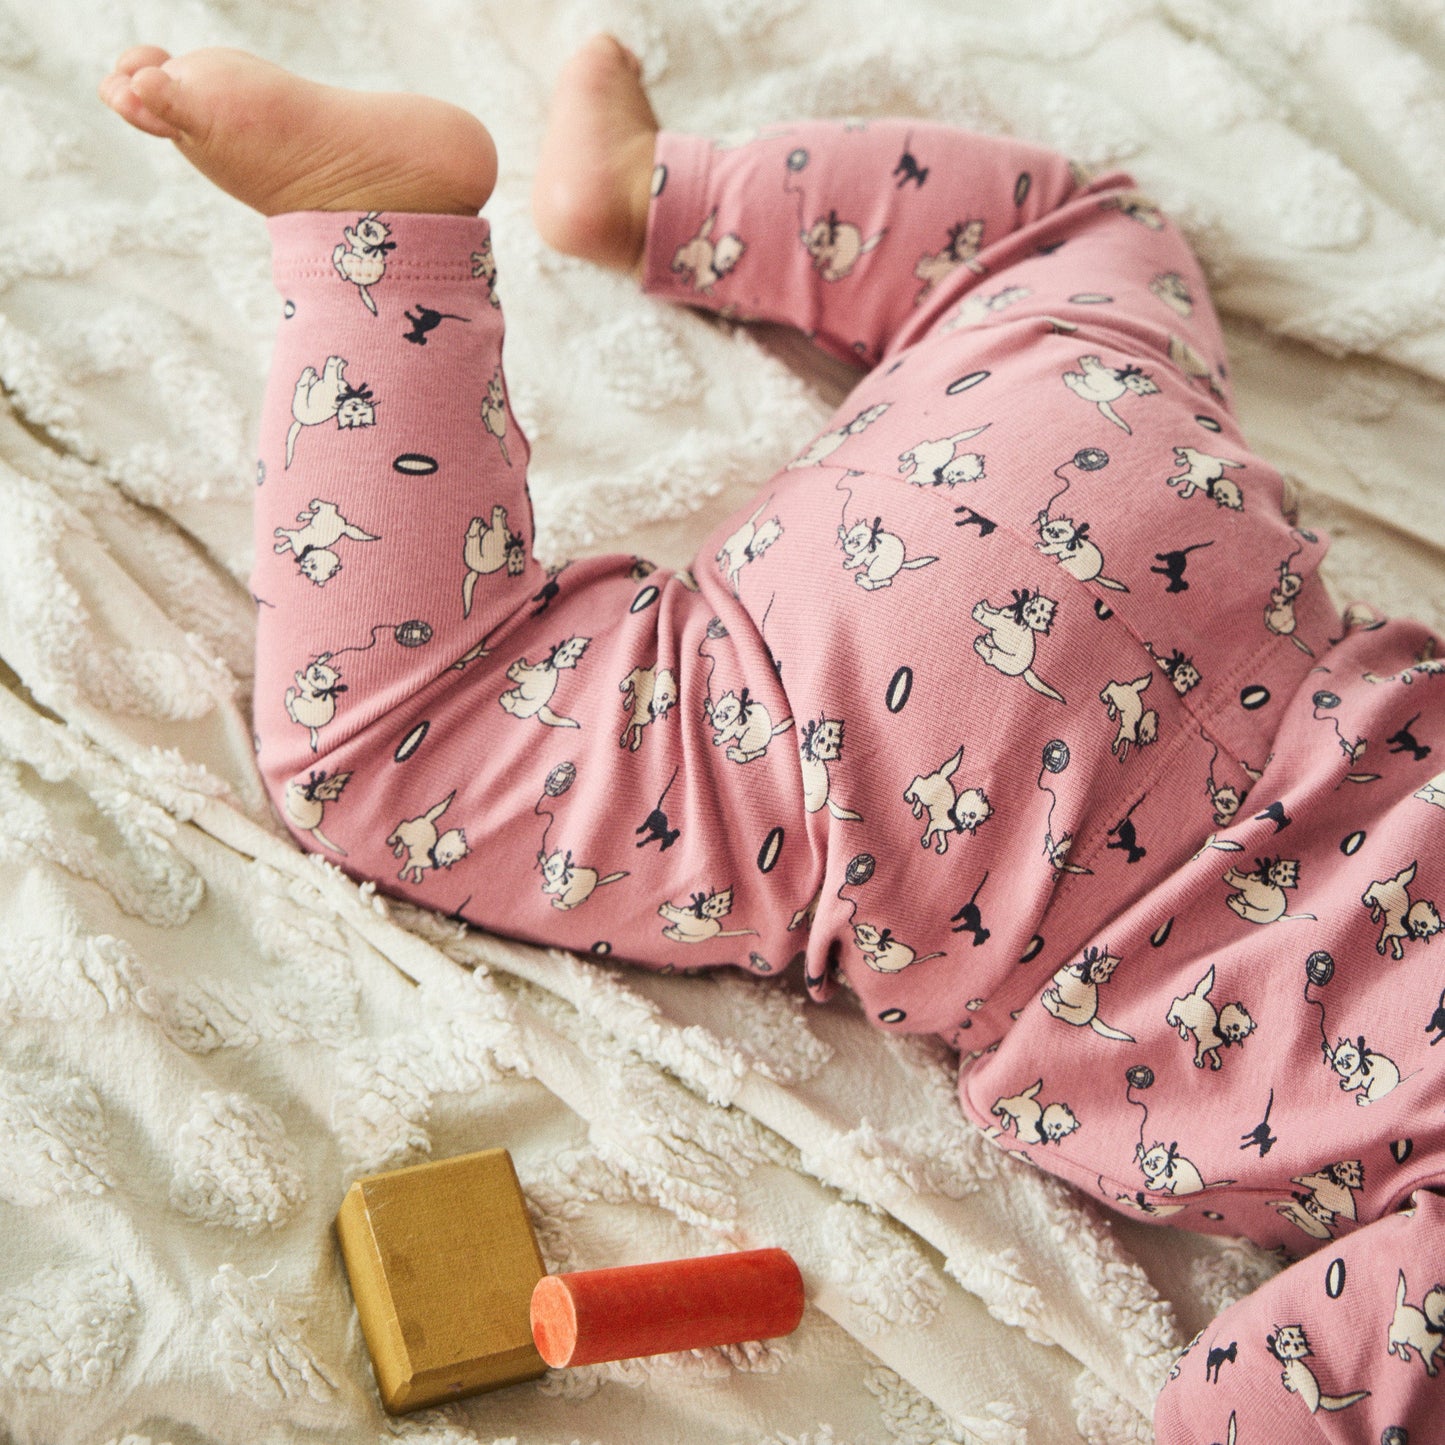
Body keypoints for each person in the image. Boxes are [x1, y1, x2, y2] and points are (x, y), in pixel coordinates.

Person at [99, 36, 1445, 1441]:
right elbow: (1275, 1404)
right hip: (941, 811)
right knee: (392, 749)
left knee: (1068, 233)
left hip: (1159, 521)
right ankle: (379, 236)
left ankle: (659, 192)